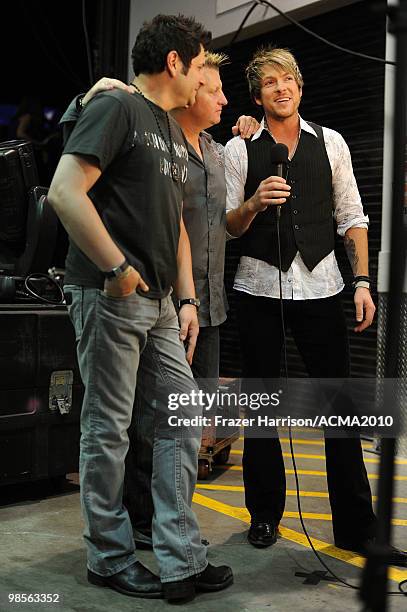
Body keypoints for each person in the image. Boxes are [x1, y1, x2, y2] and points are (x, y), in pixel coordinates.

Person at [48, 14, 234, 603]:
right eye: (204, 63)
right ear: (176, 62)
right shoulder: (120, 107)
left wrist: (186, 297)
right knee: (109, 431)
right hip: (110, 295)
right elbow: (64, 191)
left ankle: (181, 557)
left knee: (180, 424)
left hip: (157, 302)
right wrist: (117, 269)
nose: (209, 76)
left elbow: (176, 227)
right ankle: (107, 557)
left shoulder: (173, 133)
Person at [224, 46, 407, 566]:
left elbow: (353, 214)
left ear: (300, 88)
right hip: (258, 287)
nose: (281, 89)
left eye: (289, 80)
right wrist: (256, 202)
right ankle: (264, 514)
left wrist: (364, 282)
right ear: (257, 95)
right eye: (269, 83)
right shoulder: (239, 149)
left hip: (324, 285)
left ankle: (357, 527)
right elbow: (228, 225)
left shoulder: (333, 143)